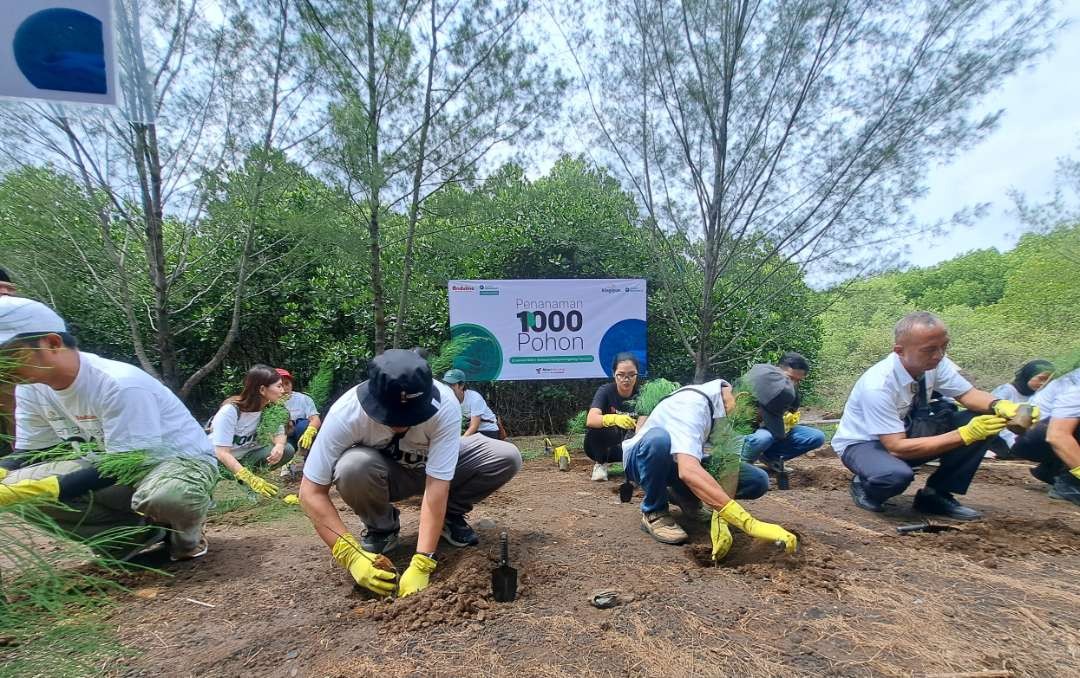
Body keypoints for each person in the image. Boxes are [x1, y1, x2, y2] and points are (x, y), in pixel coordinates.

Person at [0, 297, 219, 560]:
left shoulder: (119, 384)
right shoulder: (30, 390)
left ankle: (187, 539)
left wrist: (50, 488)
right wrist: (5, 470)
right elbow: (30, 450)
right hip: (111, 471)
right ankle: (131, 538)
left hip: (176, 464)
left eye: (7, 355)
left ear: (52, 343)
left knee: (168, 497)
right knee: (15, 486)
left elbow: (126, 464)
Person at [299, 350, 522, 598]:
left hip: (437, 470)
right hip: (385, 474)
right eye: (391, 417)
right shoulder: (347, 412)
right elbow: (310, 492)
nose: (401, 425)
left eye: (411, 416)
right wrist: (350, 555)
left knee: (505, 456)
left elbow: (437, 484)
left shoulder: (445, 404)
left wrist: (422, 561)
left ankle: (449, 517)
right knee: (352, 466)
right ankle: (381, 527)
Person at [832, 312, 1034, 520]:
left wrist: (1000, 405)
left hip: (906, 430)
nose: (938, 355)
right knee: (893, 476)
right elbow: (896, 446)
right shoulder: (878, 385)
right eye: (929, 350)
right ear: (899, 351)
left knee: (979, 418)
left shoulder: (935, 364)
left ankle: (936, 494)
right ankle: (866, 484)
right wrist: (964, 435)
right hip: (865, 443)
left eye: (943, 346)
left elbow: (968, 394)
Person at [621, 368, 795, 553]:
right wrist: (748, 523)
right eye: (760, 418)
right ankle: (654, 511)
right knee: (659, 441)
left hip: (679, 462)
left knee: (757, 480)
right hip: (642, 460)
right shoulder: (692, 404)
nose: (758, 424)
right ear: (744, 398)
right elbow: (688, 470)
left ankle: (685, 497)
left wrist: (721, 517)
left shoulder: (735, 415)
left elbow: (729, 470)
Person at [208, 365, 295, 498]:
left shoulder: (271, 409)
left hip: (247, 457)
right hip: (216, 462)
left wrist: (279, 445)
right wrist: (247, 477)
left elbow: (279, 433)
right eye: (279, 386)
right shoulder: (230, 411)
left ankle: (248, 486)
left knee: (287, 449)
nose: (283, 391)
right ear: (262, 389)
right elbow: (221, 453)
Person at [739, 352, 826, 471]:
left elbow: (790, 411)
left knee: (816, 436)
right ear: (778, 369)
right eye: (790, 378)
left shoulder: (789, 389)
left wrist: (787, 423)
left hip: (772, 424)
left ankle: (771, 458)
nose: (793, 383)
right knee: (763, 438)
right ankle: (743, 465)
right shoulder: (758, 380)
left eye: (798, 380)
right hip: (747, 430)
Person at [1011, 367, 1080, 506]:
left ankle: (1052, 470)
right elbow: (1057, 436)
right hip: (1030, 435)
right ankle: (1070, 483)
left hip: (1042, 431)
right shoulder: (1076, 387)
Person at [585, 352, 640, 481]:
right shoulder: (606, 391)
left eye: (631, 375)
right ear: (613, 373)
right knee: (597, 428)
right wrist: (614, 418)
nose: (626, 379)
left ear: (637, 374)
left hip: (632, 445)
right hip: (605, 448)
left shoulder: (644, 394)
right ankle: (600, 464)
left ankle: (638, 465)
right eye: (621, 375)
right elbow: (591, 419)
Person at [991, 359, 1055, 450]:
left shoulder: (1040, 396)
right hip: (1000, 434)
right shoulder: (1007, 391)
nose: (1043, 383)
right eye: (1041, 379)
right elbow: (991, 414)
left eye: (1048, 380)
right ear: (1028, 375)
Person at [442, 369, 502, 439]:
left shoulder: (475, 398)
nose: (448, 387)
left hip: (488, 430)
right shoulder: (449, 399)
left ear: (461, 385)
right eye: (447, 384)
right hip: (475, 432)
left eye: (452, 384)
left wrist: (461, 440)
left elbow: (474, 426)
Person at [276, 368, 322, 451]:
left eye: (287, 383)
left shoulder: (303, 399)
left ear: (291, 384)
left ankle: (304, 453)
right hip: (282, 437)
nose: (284, 388)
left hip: (300, 433)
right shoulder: (269, 403)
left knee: (303, 425)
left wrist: (309, 432)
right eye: (280, 385)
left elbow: (315, 419)